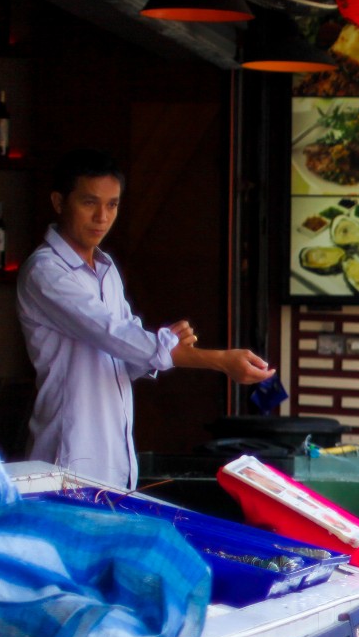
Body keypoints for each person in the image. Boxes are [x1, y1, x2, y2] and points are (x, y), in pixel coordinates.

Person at [17, 150, 272, 490]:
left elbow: (124, 350)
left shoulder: (105, 269)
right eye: (90, 203)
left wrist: (163, 343)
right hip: (69, 455)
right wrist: (218, 361)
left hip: (116, 461)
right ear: (59, 202)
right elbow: (113, 333)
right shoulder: (45, 271)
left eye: (112, 205)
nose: (102, 217)